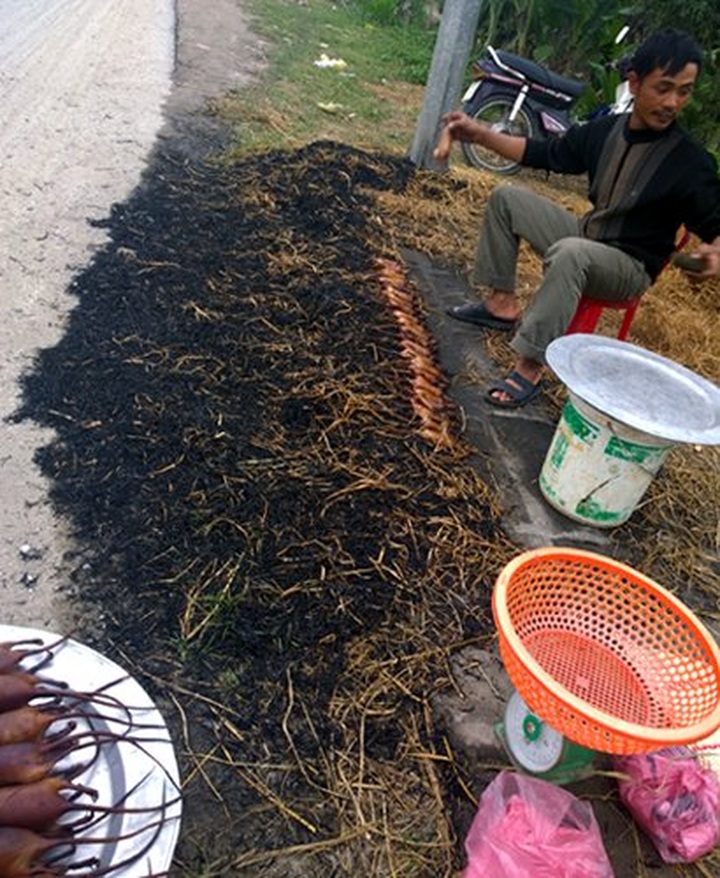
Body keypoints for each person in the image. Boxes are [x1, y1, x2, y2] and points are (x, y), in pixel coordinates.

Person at [441, 29, 720, 408]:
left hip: (627, 266)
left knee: (571, 253)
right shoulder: (605, 132)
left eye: (684, 91)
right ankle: (501, 305)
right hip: (589, 235)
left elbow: (715, 225)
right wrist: (479, 133)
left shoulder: (689, 161)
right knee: (507, 198)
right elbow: (542, 153)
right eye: (664, 87)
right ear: (634, 83)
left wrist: (713, 253)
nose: (673, 102)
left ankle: (530, 366)